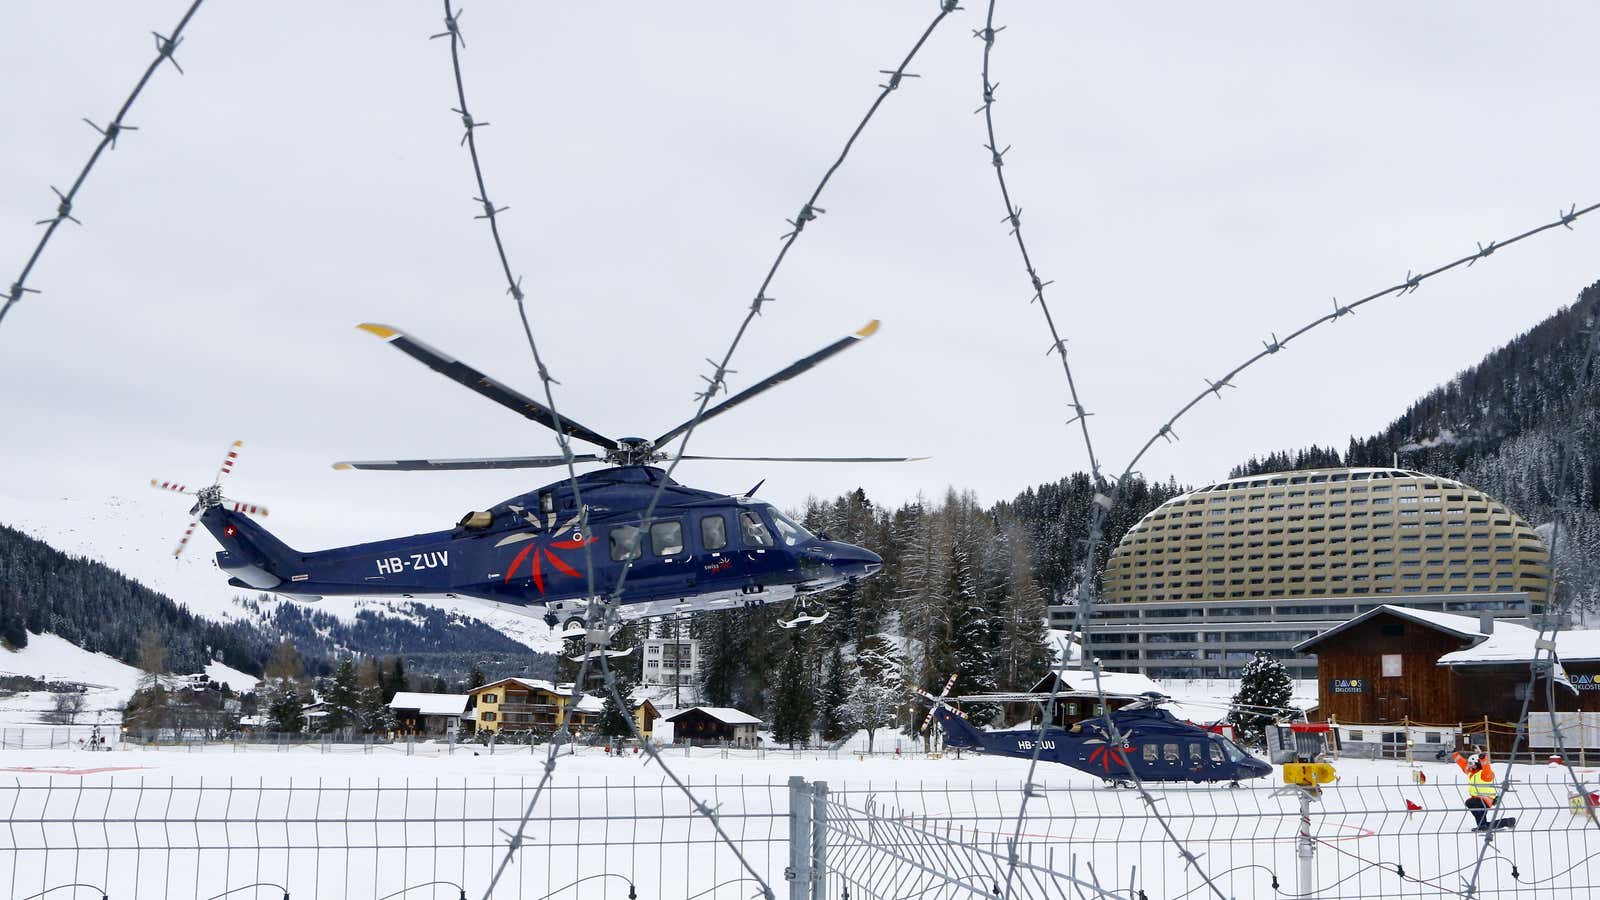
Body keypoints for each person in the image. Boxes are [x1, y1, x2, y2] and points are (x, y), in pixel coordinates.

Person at [1452, 749, 1498, 830]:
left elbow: (1487, 768)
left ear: (1478, 763)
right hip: (1479, 799)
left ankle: (1482, 826)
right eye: (1469, 764)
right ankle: (1507, 822)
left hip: (1487, 798)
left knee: (1470, 802)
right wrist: (1455, 754)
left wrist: (1483, 759)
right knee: (1482, 820)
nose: (1470, 766)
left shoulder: (1485, 774)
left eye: (1471, 764)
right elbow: (1463, 764)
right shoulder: (1472, 772)